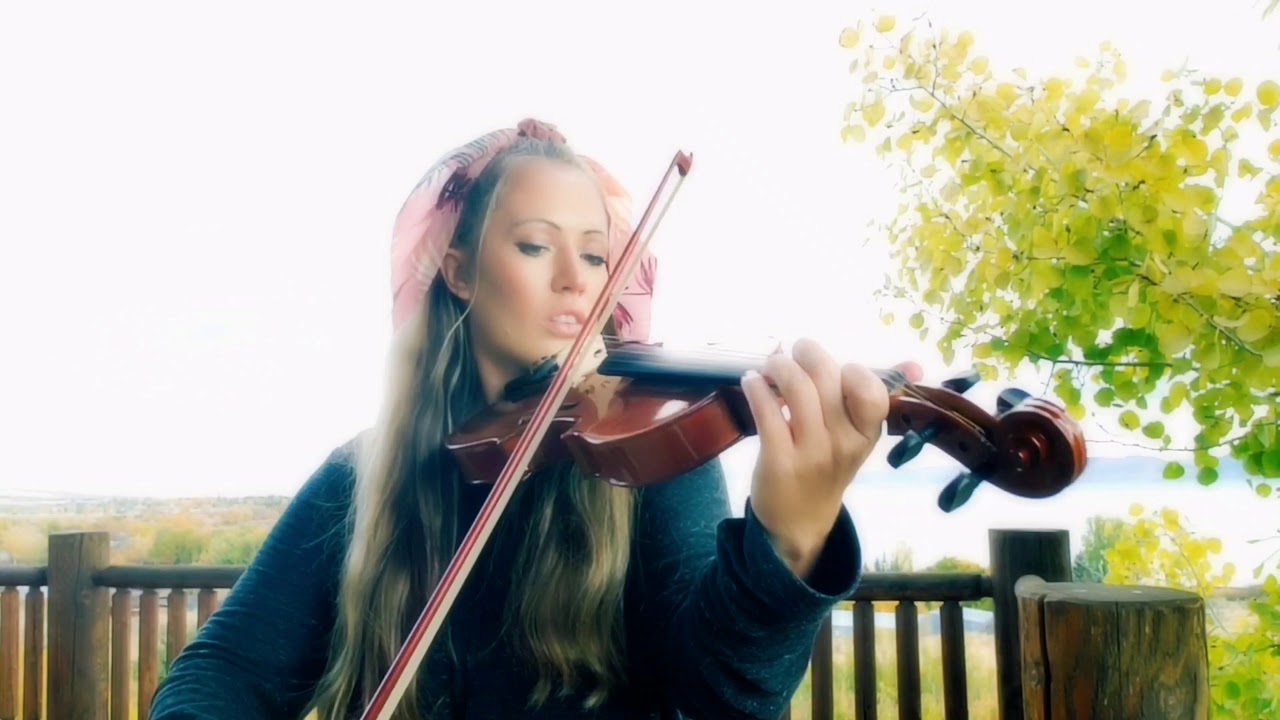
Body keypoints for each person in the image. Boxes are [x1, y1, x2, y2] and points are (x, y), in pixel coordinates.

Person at [148, 118, 920, 720]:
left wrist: (785, 541)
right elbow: (227, 672)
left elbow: (723, 700)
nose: (575, 283)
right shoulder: (363, 475)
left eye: (594, 257)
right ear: (456, 270)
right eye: (533, 245)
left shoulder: (646, 463)